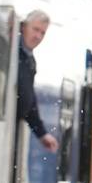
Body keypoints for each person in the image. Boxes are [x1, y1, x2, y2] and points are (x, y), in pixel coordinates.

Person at [16, 10, 58, 152]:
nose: (38, 36)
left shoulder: (29, 60)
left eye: (42, 33)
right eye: (35, 29)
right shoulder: (13, 53)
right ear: (23, 26)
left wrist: (42, 133)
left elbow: (29, 99)